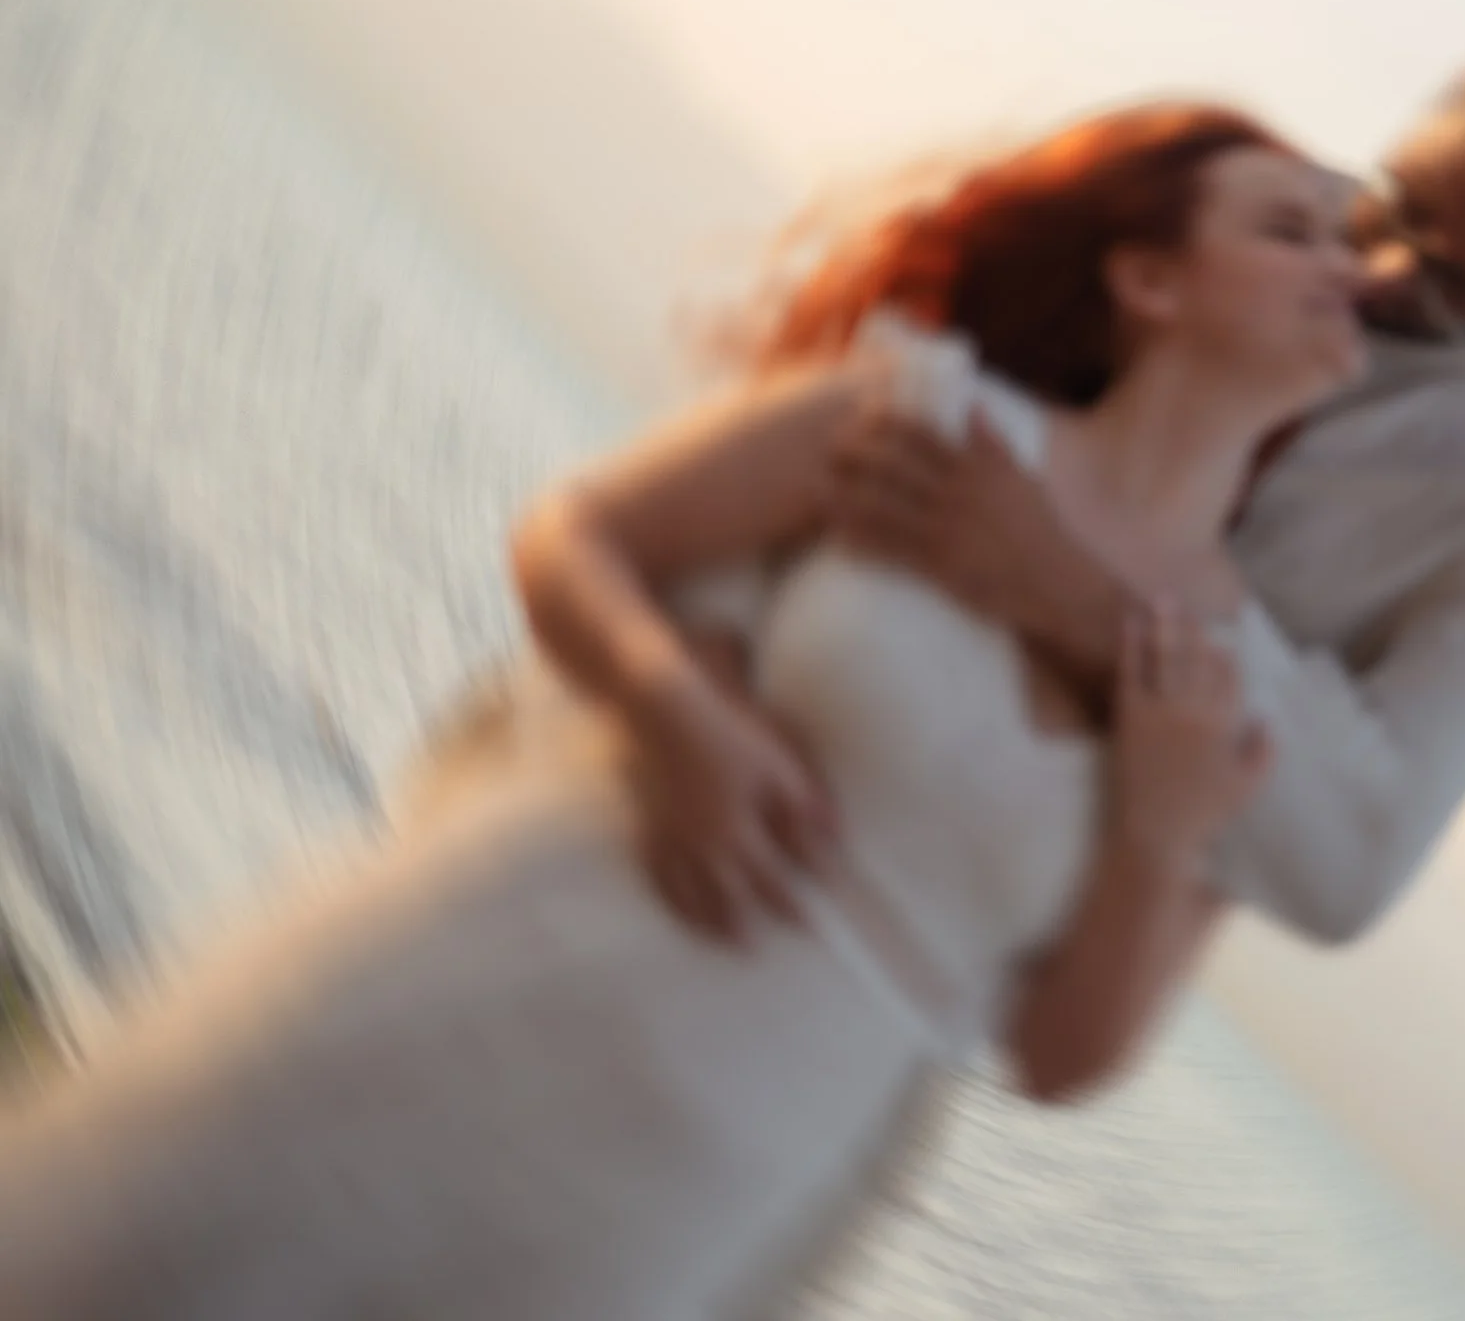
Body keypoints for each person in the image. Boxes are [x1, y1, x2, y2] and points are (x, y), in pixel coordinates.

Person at [0, 103, 1370, 1321]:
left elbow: (1064, 1052)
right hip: (505, 958)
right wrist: (679, 718)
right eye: (1291, 227)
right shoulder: (928, 416)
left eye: (1346, 238)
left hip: (721, 1158)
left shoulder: (1245, 694)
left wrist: (1163, 826)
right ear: (1148, 278)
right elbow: (578, 536)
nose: (1342, 262)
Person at [677, 23, 1465, 965]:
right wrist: (686, 693)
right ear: (1451, 94)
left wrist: (1074, 596)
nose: (1373, 276)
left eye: (1456, 288)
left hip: (912, 930)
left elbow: (1348, 872)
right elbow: (818, 399)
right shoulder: (1193, 193)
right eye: (1399, 204)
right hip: (706, 729)